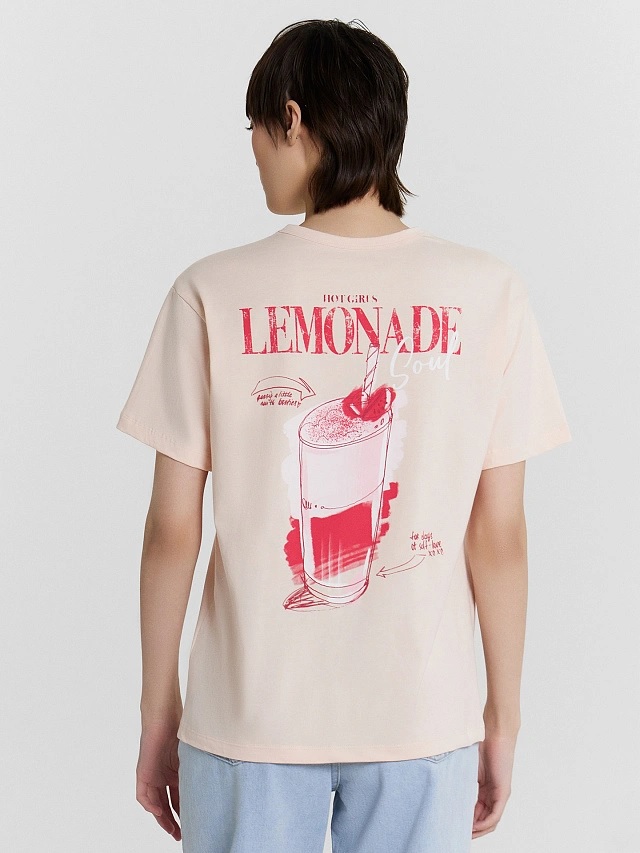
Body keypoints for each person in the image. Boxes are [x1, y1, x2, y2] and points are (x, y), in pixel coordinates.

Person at [116, 18, 572, 853]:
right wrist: (500, 717)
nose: (253, 149)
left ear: (291, 119)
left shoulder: (211, 290)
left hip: (248, 716)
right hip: (423, 718)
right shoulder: (488, 292)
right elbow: (499, 532)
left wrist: (158, 708)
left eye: (255, 126)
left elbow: (172, 528)